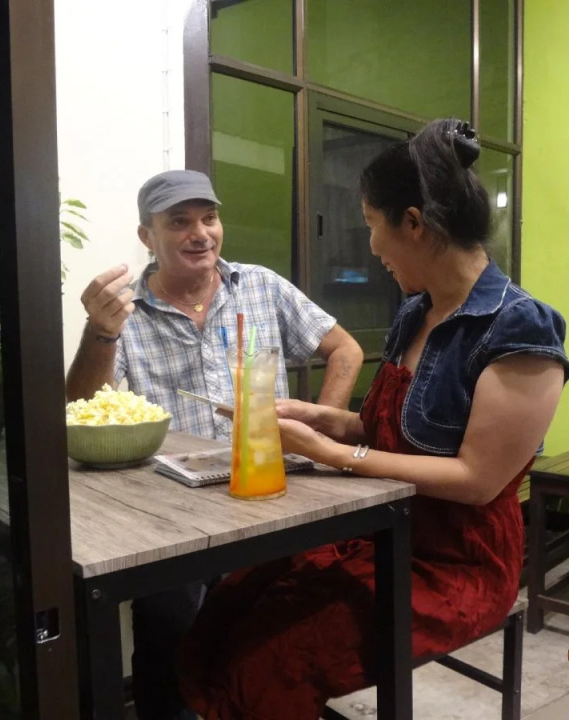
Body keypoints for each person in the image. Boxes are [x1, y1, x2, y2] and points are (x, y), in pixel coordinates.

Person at [178, 118, 569, 719]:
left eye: (370, 224)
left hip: (455, 562)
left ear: (412, 222)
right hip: (380, 530)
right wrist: (317, 417)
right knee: (229, 607)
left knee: (270, 660)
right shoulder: (415, 313)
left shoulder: (520, 327)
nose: (370, 246)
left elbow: (477, 480)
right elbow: (384, 430)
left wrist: (330, 453)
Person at [65, 169, 363, 720]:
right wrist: (100, 332)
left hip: (267, 496)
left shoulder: (260, 286)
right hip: (172, 516)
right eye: (179, 222)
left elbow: (345, 350)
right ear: (147, 236)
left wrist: (320, 431)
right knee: (170, 643)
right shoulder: (127, 312)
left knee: (268, 640)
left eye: (209, 218)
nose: (200, 233)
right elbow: (81, 408)